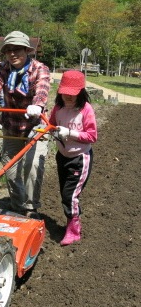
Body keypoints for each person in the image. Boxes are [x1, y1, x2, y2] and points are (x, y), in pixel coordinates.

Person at [0, 31, 50, 219]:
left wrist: (38, 105)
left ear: (27, 50)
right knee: (10, 169)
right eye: (8, 50)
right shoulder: (1, 68)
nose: (12, 54)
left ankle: (31, 207)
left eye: (17, 49)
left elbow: (42, 88)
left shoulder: (39, 69)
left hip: (35, 125)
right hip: (11, 125)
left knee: (32, 165)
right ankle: (18, 206)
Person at [49, 70, 97, 246]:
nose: (68, 97)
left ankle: (74, 230)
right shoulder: (58, 108)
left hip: (79, 157)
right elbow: (51, 124)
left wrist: (70, 132)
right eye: (65, 93)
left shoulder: (86, 110)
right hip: (62, 156)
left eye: (73, 94)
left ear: (81, 92)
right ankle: (71, 222)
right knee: (65, 193)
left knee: (70, 196)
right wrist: (41, 128)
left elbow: (92, 136)